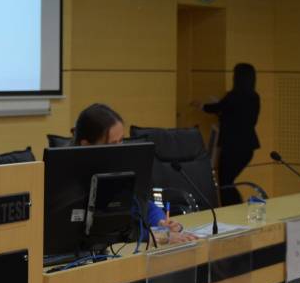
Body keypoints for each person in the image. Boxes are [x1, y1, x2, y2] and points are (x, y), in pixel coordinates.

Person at [73, 103, 197, 245]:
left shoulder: (120, 166)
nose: (120, 150)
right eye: (112, 144)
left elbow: (142, 204)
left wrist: (160, 222)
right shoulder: (72, 181)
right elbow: (104, 229)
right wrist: (152, 236)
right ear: (86, 145)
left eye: (121, 141)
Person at [194, 62, 260, 206]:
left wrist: (201, 106)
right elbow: (249, 119)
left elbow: (218, 108)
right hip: (248, 147)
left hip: (232, 146)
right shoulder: (255, 97)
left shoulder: (233, 96)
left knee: (225, 183)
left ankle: (232, 207)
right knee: (228, 181)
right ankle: (236, 206)